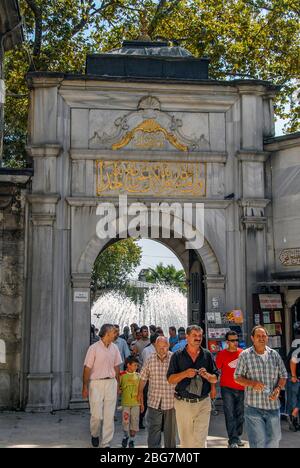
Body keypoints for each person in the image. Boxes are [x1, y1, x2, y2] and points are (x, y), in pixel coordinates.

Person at [234, 325, 287, 448]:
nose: (261, 338)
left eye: (264, 336)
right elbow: (237, 377)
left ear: (267, 338)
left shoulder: (275, 355)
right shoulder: (245, 355)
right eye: (258, 336)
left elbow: (283, 375)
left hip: (273, 407)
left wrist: (278, 388)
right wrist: (252, 383)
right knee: (258, 443)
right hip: (253, 407)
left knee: (274, 440)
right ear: (252, 338)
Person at [167, 325, 218, 448]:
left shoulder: (207, 355)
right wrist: (185, 373)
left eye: (200, 336)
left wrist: (207, 376)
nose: (198, 338)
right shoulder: (177, 356)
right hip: (183, 403)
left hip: (203, 403)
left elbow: (215, 378)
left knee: (200, 441)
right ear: (187, 336)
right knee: (186, 442)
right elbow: (170, 379)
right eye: (194, 335)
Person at [82, 323, 122, 448]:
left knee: (109, 415)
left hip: (111, 382)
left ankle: (106, 442)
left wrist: (118, 384)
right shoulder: (93, 348)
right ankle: (94, 434)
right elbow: (87, 368)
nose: (115, 334)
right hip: (96, 383)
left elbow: (117, 367)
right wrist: (85, 386)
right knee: (96, 414)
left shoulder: (115, 348)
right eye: (113, 332)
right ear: (106, 333)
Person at [139, 336, 177, 448]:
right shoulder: (150, 359)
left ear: (168, 346)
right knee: (153, 432)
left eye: (164, 346)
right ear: (155, 347)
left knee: (170, 432)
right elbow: (143, 378)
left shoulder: (174, 358)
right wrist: (140, 393)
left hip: (171, 401)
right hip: (154, 401)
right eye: (159, 347)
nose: (162, 349)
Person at [216, 331, 245, 448]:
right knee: (230, 414)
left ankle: (237, 436)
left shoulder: (243, 353)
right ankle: (232, 440)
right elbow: (217, 368)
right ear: (227, 342)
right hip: (227, 388)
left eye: (236, 340)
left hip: (241, 387)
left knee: (240, 414)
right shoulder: (221, 354)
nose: (235, 342)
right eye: (232, 340)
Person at [120, 356, 141, 448]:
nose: (136, 367)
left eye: (137, 365)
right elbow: (118, 388)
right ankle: (126, 436)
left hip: (136, 404)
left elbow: (141, 391)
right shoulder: (122, 375)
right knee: (125, 421)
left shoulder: (138, 376)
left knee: (134, 422)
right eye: (134, 365)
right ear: (128, 365)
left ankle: (132, 440)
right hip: (126, 404)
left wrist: (142, 403)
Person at [286, 340, 300, 431]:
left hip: (296, 376)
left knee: (295, 400)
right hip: (294, 377)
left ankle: (294, 418)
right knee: (293, 400)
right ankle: (293, 421)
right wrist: (294, 376)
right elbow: (293, 361)